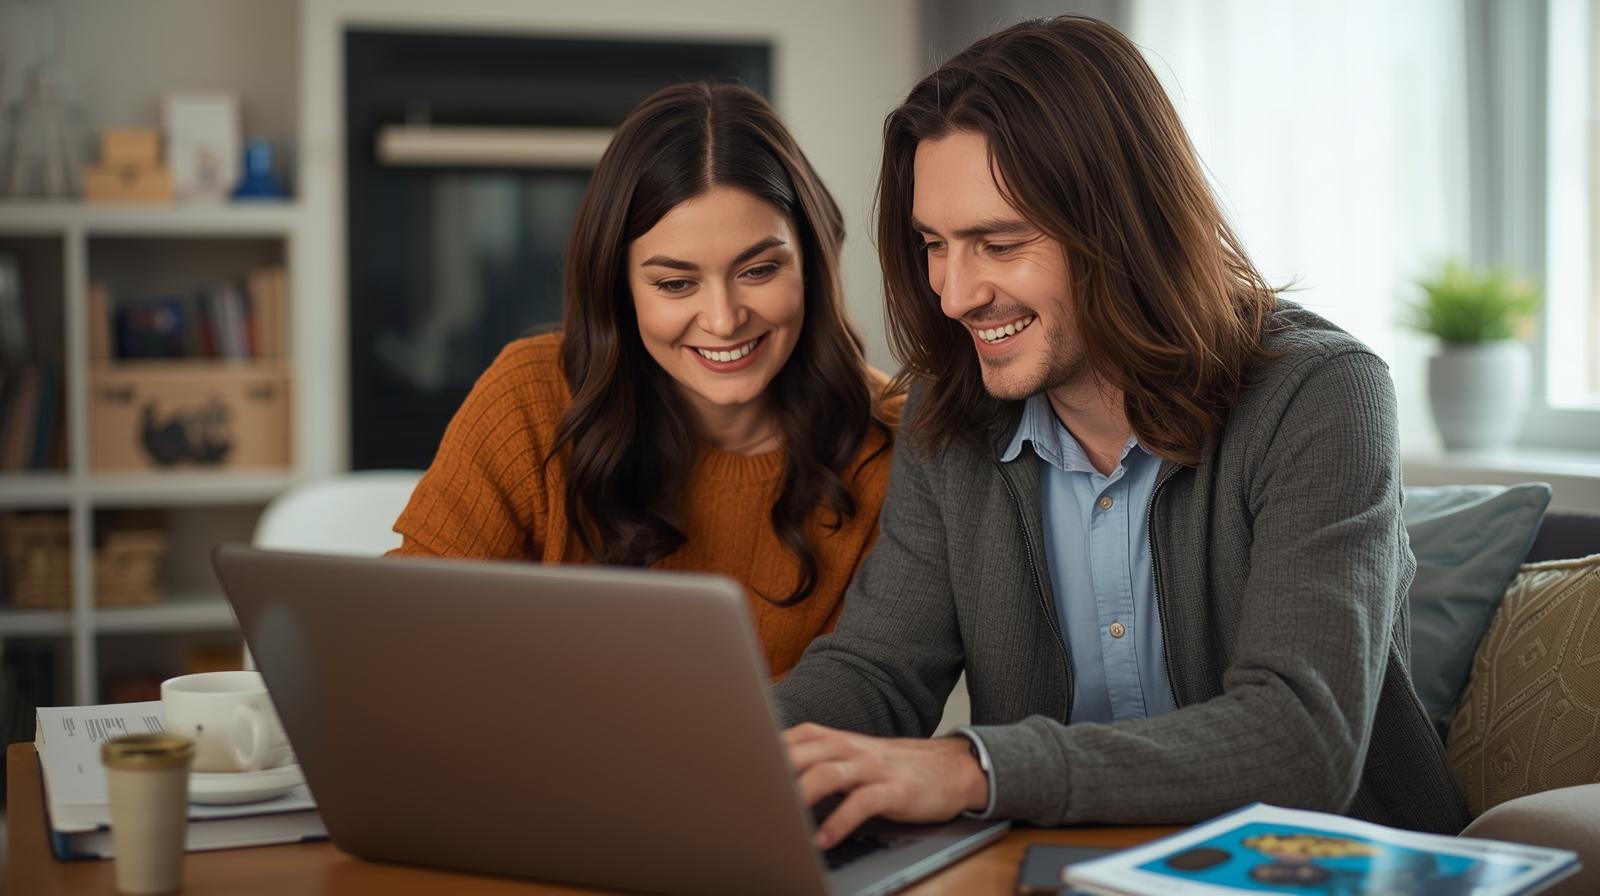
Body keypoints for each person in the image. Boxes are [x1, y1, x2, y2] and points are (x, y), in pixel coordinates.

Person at [773, 16, 1470, 847]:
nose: (954, 296)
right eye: (935, 246)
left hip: (1324, 869)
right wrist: (729, 746)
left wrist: (976, 768)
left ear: (1122, 228)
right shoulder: (948, 418)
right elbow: (877, 672)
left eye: (998, 243)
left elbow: (1300, 739)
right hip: (1062, 868)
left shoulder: (1322, 396)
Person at [391, 82, 895, 677]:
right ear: (621, 288)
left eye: (759, 270)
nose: (724, 319)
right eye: (675, 283)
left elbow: (872, 699)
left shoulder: (893, 443)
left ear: (810, 263)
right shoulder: (529, 396)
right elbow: (405, 638)